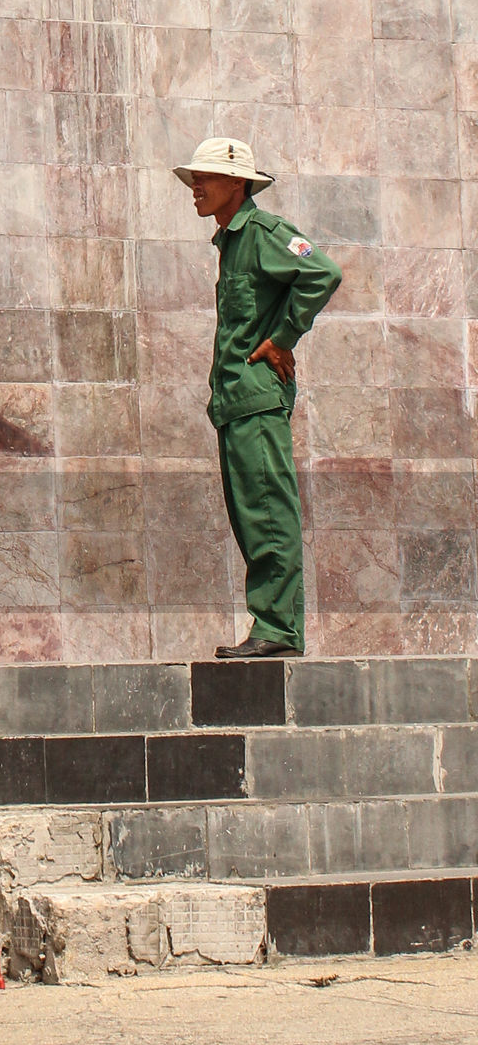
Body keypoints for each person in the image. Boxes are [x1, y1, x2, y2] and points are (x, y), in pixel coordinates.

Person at [173, 137, 342, 659]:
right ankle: (273, 627)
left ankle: (277, 630)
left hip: (257, 399)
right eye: (195, 178)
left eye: (206, 177)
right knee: (251, 515)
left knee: (268, 512)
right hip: (234, 401)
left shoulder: (265, 233)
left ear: (239, 184)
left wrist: (284, 337)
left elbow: (322, 273)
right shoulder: (232, 242)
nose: (196, 186)